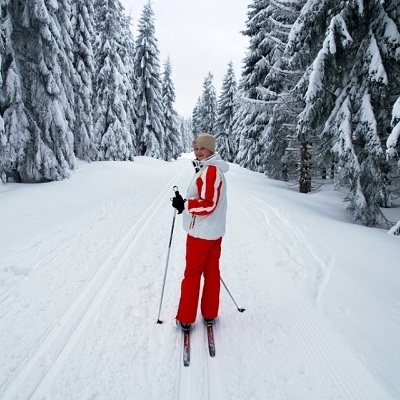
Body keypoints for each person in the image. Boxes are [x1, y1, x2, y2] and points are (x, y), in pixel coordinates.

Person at [172, 132, 229, 331]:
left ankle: (186, 317)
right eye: (196, 148)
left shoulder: (211, 171)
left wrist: (186, 203)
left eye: (202, 148)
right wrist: (184, 205)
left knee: (193, 274)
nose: (198, 152)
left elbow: (208, 205)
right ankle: (210, 313)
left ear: (211, 150)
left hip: (202, 234)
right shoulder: (208, 169)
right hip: (212, 233)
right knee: (212, 273)